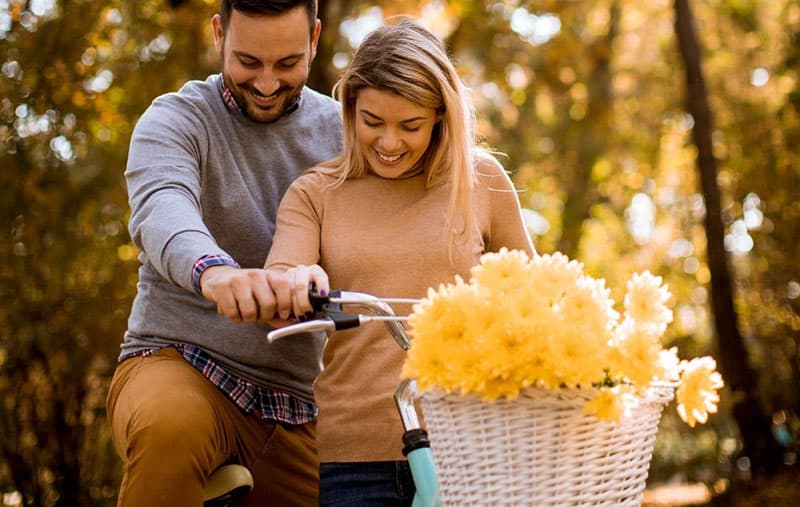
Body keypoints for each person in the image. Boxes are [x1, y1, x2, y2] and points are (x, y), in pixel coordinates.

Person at [264, 18, 536, 506]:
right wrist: (298, 280)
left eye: (410, 125)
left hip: (473, 446)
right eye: (373, 122)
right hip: (352, 460)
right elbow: (283, 272)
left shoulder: (482, 181)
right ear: (349, 109)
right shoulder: (316, 193)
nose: (389, 144)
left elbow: (537, 299)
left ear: (440, 114)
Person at [105, 1, 342, 505]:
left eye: (287, 64)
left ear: (315, 39)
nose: (266, 83)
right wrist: (216, 275)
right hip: (178, 362)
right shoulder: (176, 118)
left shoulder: (346, 134)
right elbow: (162, 207)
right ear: (219, 33)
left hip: (295, 403)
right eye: (249, 62)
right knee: (170, 429)